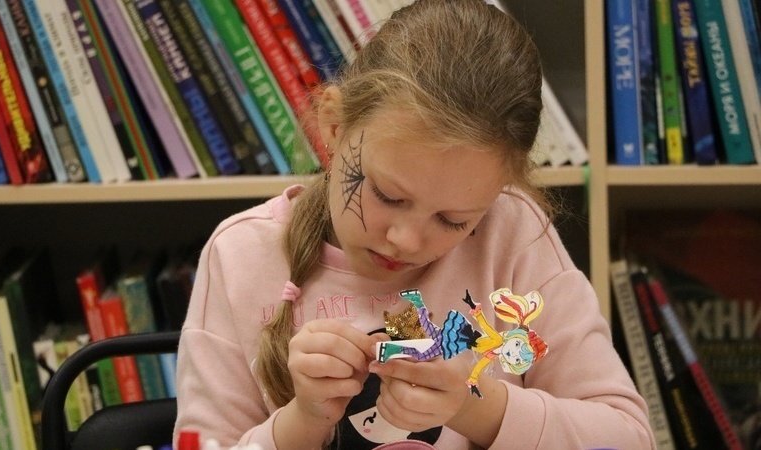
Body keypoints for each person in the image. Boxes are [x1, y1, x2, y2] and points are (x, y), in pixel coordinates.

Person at [173, 0, 655, 448]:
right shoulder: (241, 256)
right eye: (388, 195)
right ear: (333, 127)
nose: (405, 240)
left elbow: (628, 438)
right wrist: (300, 421)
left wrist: (472, 405)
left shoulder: (512, 234)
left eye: (453, 220)